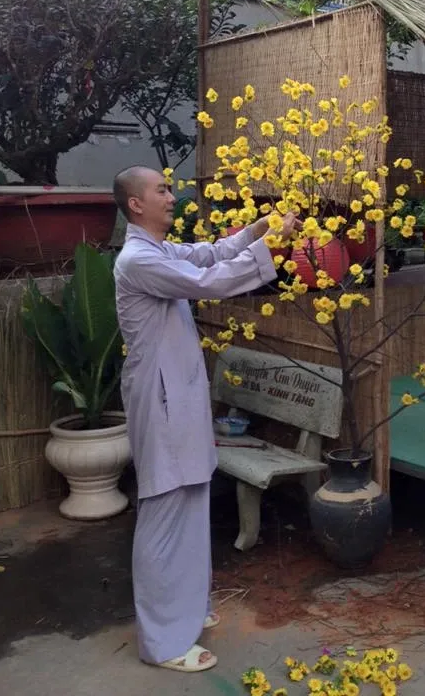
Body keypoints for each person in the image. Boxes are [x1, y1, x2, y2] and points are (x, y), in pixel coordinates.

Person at [113, 166, 298, 672]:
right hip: (162, 399)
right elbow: (206, 281)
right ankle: (163, 640)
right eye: (162, 190)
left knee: (191, 499)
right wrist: (270, 249)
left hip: (180, 396)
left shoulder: (157, 251)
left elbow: (206, 254)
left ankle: (185, 610)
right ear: (135, 204)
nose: (172, 197)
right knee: (166, 507)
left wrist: (254, 232)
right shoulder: (137, 260)